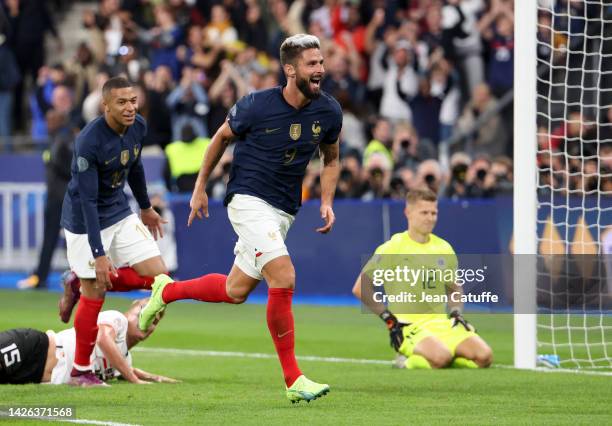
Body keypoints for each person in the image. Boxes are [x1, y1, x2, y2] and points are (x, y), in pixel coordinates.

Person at [138, 34, 342, 403]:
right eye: (312, 64)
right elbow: (219, 139)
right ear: (290, 69)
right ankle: (293, 379)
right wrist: (200, 188)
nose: (320, 70)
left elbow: (331, 158)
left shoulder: (328, 111)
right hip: (247, 200)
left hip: (283, 211)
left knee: (235, 291)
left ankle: (165, 290)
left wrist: (327, 200)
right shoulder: (255, 105)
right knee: (284, 274)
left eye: (321, 62)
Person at [60, 76, 168, 386]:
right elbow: (88, 202)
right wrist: (99, 255)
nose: (130, 107)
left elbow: (134, 166)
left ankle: (78, 281)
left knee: (160, 279)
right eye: (121, 102)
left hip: (118, 209)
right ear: (105, 106)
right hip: (84, 220)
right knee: (96, 290)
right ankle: (80, 371)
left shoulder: (139, 127)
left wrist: (146, 207)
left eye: (133, 100)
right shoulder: (89, 142)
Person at [352, 188, 493, 369]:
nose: (430, 218)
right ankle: (405, 361)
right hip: (409, 326)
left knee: (484, 357)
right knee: (441, 357)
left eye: (434, 213)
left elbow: (455, 289)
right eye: (424, 212)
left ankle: (443, 357)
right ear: (408, 213)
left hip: (442, 324)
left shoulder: (444, 248)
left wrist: (456, 311)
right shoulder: (393, 247)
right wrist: (388, 319)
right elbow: (360, 287)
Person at [0, 299, 178, 385]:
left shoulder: (124, 359)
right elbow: (102, 337)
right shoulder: (117, 320)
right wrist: (133, 379)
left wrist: (154, 378)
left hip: (32, 376)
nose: (148, 321)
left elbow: (123, 367)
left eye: (155, 320)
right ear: (131, 307)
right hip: (33, 348)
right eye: (143, 310)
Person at [17, 110, 74, 290]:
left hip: (60, 198)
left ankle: (41, 277)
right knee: (62, 239)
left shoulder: (63, 141)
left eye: (51, 120)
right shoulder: (57, 140)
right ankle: (41, 276)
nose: (48, 124)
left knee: (60, 239)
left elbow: (69, 169)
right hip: (57, 197)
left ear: (59, 121)